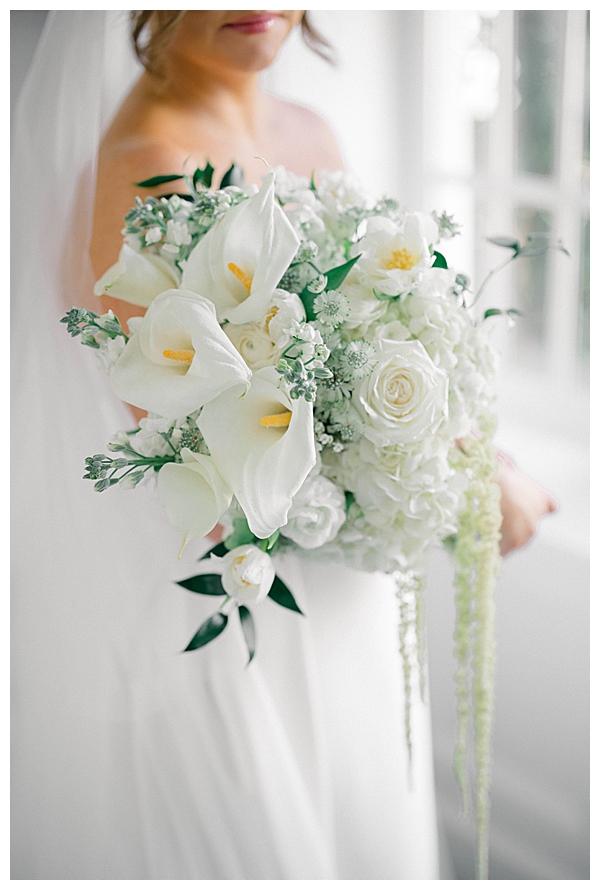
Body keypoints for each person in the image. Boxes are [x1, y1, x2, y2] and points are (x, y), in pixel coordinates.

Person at [11, 10, 555, 880]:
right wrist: (465, 486)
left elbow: (377, 341)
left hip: (343, 584)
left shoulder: (310, 130)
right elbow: (202, 441)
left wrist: (474, 452)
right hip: (251, 600)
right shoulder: (145, 170)